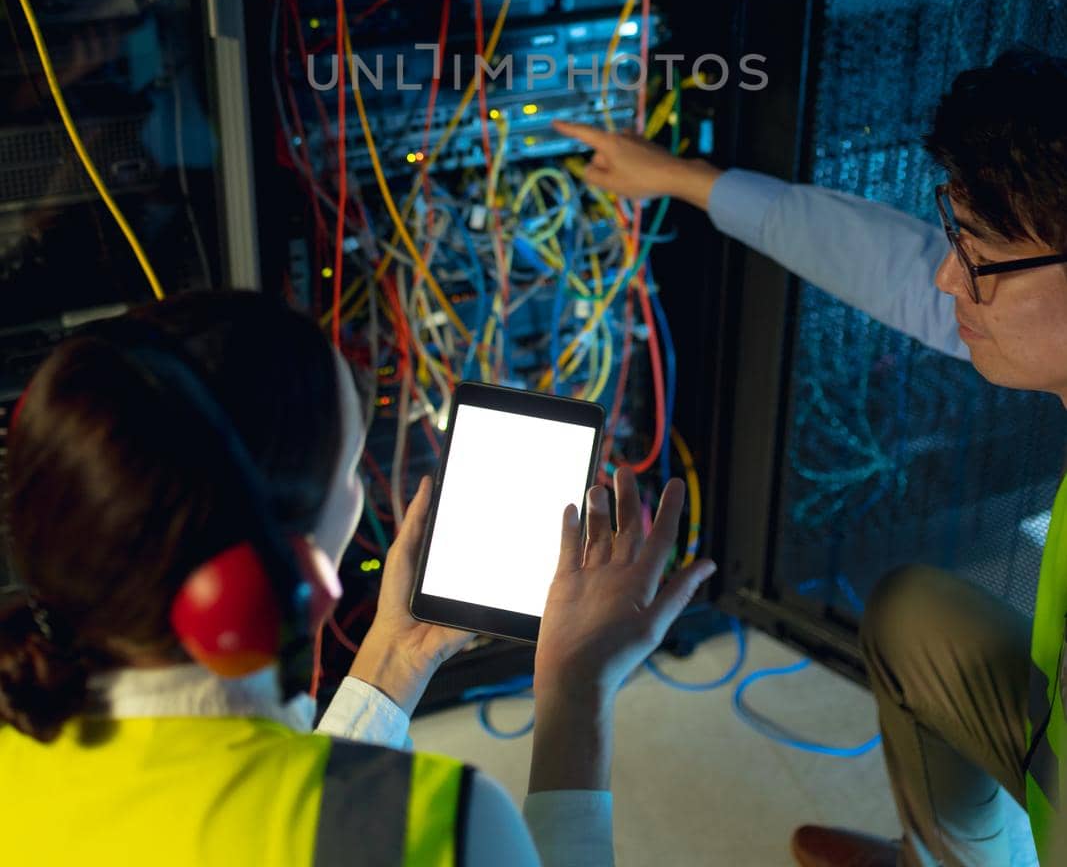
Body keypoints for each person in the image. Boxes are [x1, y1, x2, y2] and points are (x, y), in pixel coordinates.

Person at [556, 44, 1067, 867]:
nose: (945, 278)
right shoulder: (1033, 303)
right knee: (911, 619)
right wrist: (685, 180)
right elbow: (894, 266)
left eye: (974, 252)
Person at [0, 289, 714, 866]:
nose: (360, 491)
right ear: (291, 565)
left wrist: (395, 659)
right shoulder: (435, 825)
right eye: (348, 470)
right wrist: (575, 689)